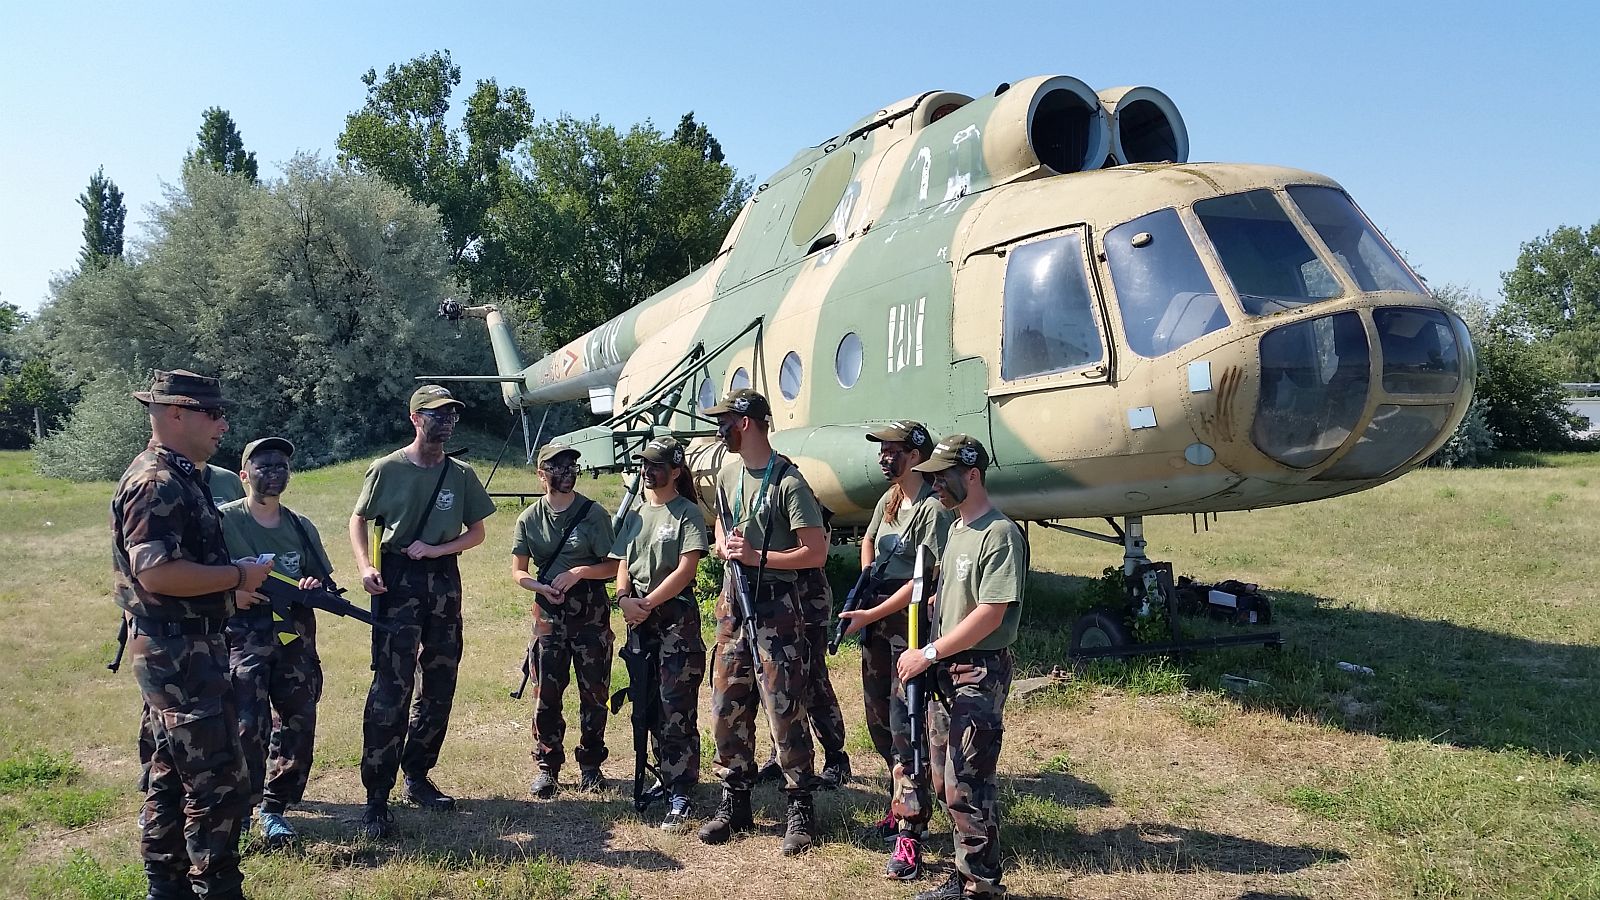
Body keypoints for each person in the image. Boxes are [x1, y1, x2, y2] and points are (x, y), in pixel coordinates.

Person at [112, 369, 273, 900]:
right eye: (214, 413)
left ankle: (168, 887)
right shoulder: (157, 481)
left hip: (182, 645)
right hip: (179, 654)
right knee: (217, 782)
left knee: (169, 774)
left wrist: (229, 591)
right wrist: (236, 578)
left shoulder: (181, 474)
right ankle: (216, 888)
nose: (224, 423)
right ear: (175, 413)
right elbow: (156, 572)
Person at [349, 385, 496, 838]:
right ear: (416, 419)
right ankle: (376, 796)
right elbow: (358, 519)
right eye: (437, 414)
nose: (447, 421)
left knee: (439, 681)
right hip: (398, 581)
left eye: (452, 414)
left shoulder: (461, 473)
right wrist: (365, 566)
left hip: (442, 579)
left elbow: (477, 533)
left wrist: (437, 549)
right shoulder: (387, 469)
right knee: (391, 686)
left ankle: (417, 774)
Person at [699, 388, 827, 855]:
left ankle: (799, 804)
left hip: (775, 603)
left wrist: (760, 556)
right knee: (726, 701)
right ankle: (735, 798)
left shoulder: (787, 481)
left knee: (783, 704)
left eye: (725, 420)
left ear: (747, 422)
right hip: (733, 602)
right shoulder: (729, 473)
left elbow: (815, 552)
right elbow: (722, 520)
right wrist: (723, 544)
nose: (720, 429)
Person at [898, 435, 1026, 900]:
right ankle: (965, 870)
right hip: (945, 671)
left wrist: (929, 653)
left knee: (966, 781)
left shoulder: (1000, 534)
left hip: (978, 670)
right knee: (942, 775)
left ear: (971, 474)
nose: (934, 485)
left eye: (942, 476)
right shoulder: (957, 530)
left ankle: (981, 886)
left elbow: (992, 611)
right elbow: (960, 594)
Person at [836, 420, 952, 880]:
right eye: (882, 450)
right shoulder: (890, 500)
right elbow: (867, 541)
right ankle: (897, 802)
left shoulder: (931, 509)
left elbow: (926, 581)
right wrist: (867, 581)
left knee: (908, 727)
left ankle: (911, 832)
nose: (885, 457)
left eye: (894, 450)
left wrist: (872, 609)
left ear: (917, 455)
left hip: (908, 625)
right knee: (880, 719)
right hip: (879, 619)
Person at [219, 436, 332, 849]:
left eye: (282, 465)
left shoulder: (301, 526)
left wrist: (312, 583)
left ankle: (274, 808)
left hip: (295, 637)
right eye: (264, 465)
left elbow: (322, 579)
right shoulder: (223, 521)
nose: (275, 472)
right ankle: (242, 810)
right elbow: (202, 575)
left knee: (299, 721)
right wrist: (234, 592)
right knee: (249, 725)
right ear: (244, 475)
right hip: (244, 634)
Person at [608, 437, 708, 831]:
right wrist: (623, 599)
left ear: (675, 470)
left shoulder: (686, 513)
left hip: (675, 621)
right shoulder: (636, 513)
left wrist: (646, 602)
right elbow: (622, 563)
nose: (647, 471)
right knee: (647, 703)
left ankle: (682, 789)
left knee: (675, 705)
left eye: (656, 465)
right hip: (639, 621)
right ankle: (663, 777)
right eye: (644, 465)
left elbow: (687, 570)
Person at [511, 441, 618, 798]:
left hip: (590, 613)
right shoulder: (529, 519)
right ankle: (547, 766)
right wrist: (540, 587)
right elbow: (518, 572)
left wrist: (581, 572)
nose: (567, 472)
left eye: (572, 466)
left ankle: (591, 766)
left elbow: (615, 566)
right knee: (546, 695)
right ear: (542, 474)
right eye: (557, 467)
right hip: (550, 615)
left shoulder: (593, 514)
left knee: (594, 692)